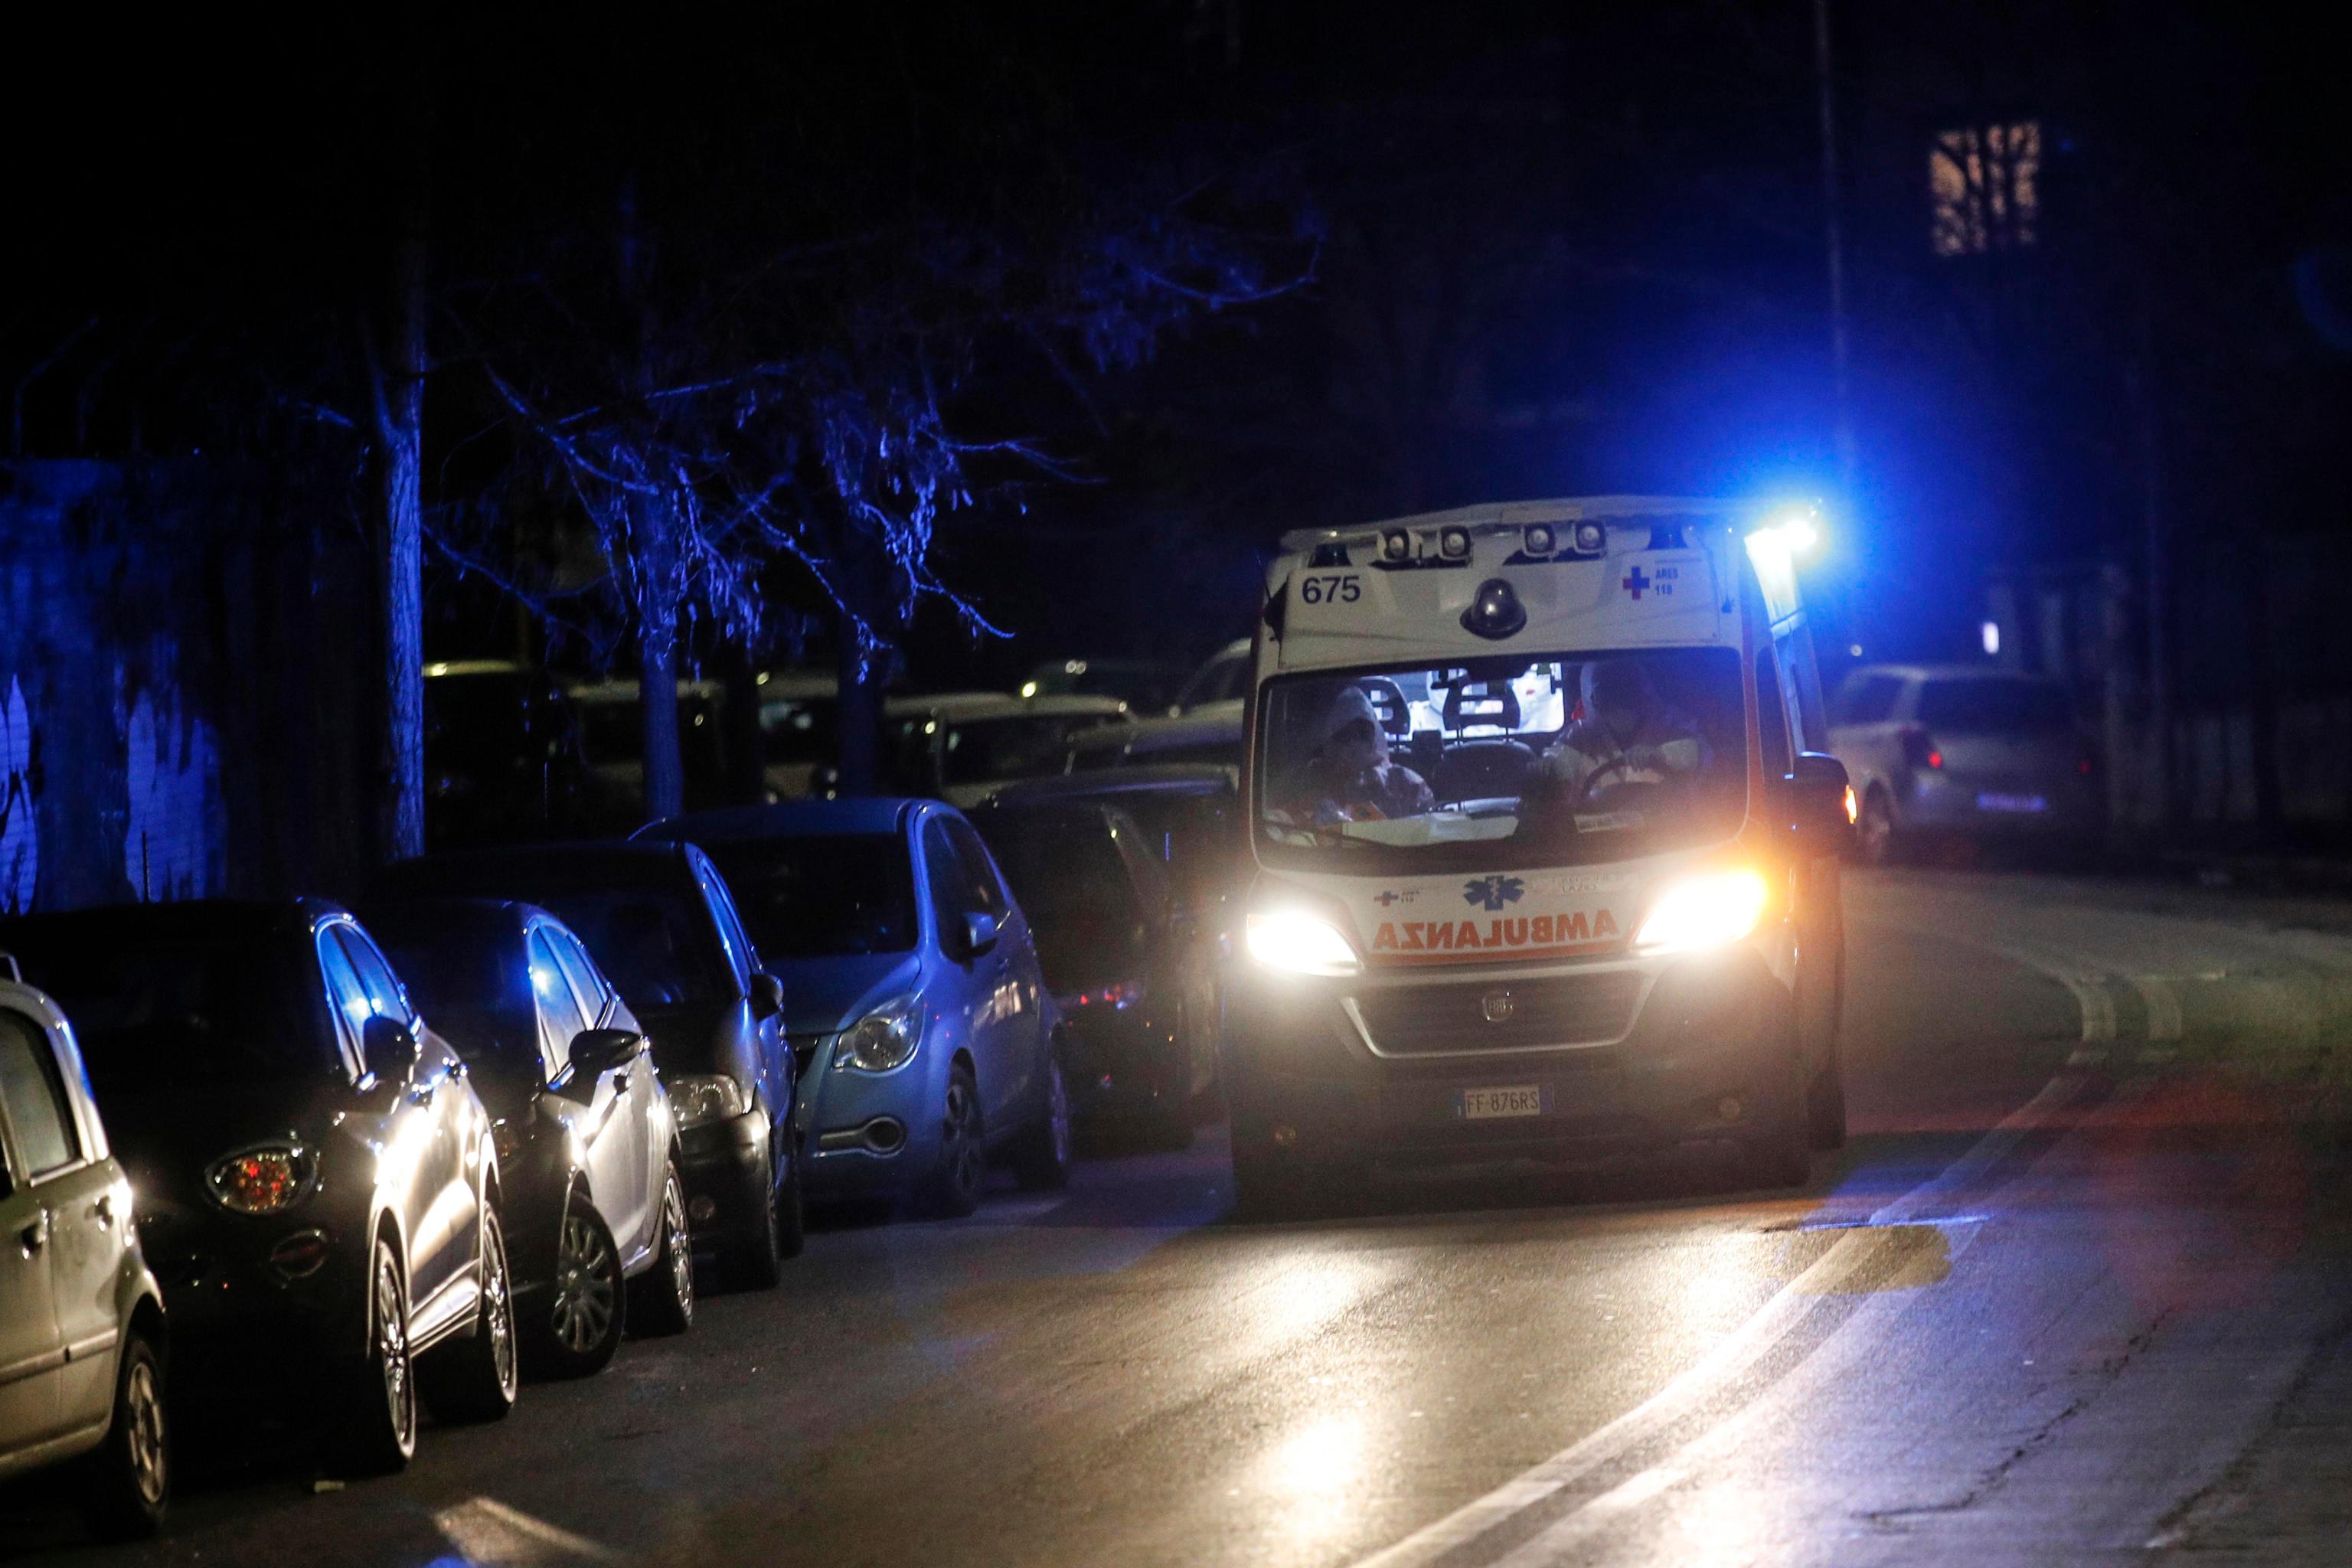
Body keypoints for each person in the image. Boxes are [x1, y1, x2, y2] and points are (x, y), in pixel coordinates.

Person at [1538, 659, 1710, 802]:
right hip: (1599, 830)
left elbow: (1700, 753)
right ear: (1596, 699)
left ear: (1641, 695)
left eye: (1625, 695)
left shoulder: (1669, 723)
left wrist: (1659, 754)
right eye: (1609, 696)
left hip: (1662, 827)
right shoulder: (1581, 733)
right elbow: (1560, 758)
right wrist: (1549, 766)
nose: (1619, 706)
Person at [1278, 685, 1434, 827]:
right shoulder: (1314, 780)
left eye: (1362, 735)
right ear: (1330, 742)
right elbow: (1289, 825)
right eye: (1345, 736)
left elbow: (1427, 827)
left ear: (1374, 738)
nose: (1354, 744)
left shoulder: (1405, 783)